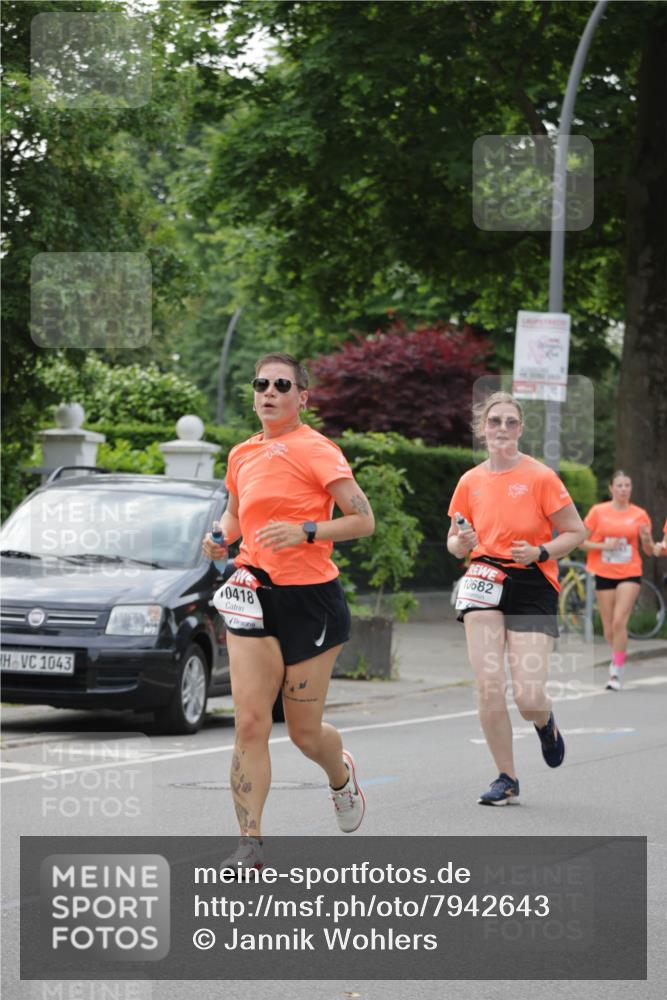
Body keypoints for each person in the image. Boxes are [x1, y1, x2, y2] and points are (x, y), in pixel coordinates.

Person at [202, 352, 375, 868]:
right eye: (261, 383)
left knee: (303, 733)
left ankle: (339, 774)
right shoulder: (241, 454)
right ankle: (249, 842)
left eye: (282, 384)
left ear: (303, 397)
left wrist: (307, 530)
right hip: (252, 589)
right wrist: (219, 539)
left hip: (311, 600)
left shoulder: (318, 450)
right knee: (251, 723)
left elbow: (362, 519)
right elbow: (235, 513)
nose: (269, 392)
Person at [446, 391, 586, 806]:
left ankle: (545, 723)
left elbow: (576, 532)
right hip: (483, 577)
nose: (502, 429)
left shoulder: (541, 477)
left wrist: (541, 552)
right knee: (489, 687)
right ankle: (506, 778)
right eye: (495, 422)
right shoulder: (469, 481)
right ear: (483, 429)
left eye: (510, 422)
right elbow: (454, 543)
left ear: (520, 429)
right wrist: (462, 541)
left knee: (527, 696)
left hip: (531, 583)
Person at [581, 472, 653, 691]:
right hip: (604, 571)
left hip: (630, 571)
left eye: (627, 485)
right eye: (619, 485)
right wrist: (605, 547)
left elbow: (648, 551)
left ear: (631, 489)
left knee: (619, 621)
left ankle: (616, 670)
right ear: (611, 488)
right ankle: (618, 655)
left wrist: (647, 538)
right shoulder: (597, 512)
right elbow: (580, 542)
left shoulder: (640, 515)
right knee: (609, 629)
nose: (623, 489)